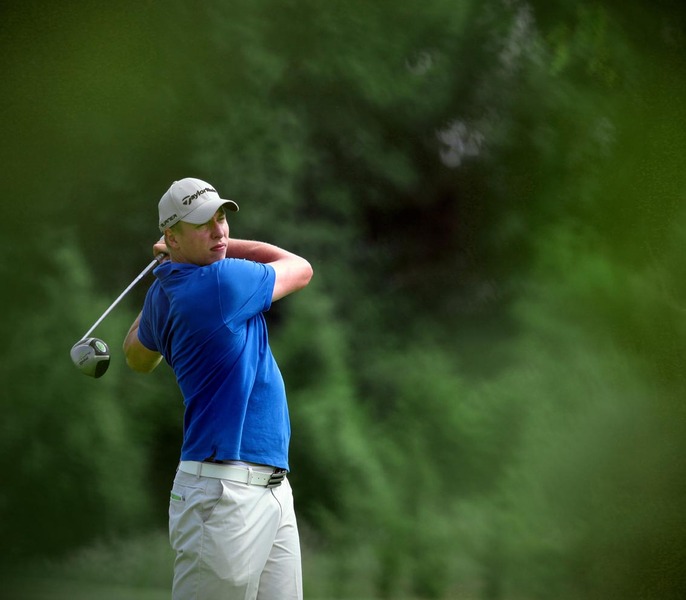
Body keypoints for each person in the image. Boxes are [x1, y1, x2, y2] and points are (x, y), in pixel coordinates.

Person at [123, 177, 313, 600]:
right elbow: (300, 268)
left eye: (221, 218)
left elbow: (137, 355)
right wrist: (227, 247)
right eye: (202, 224)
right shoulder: (223, 283)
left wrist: (164, 270)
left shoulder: (164, 293)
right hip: (224, 494)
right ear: (171, 236)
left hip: (270, 489)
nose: (219, 231)